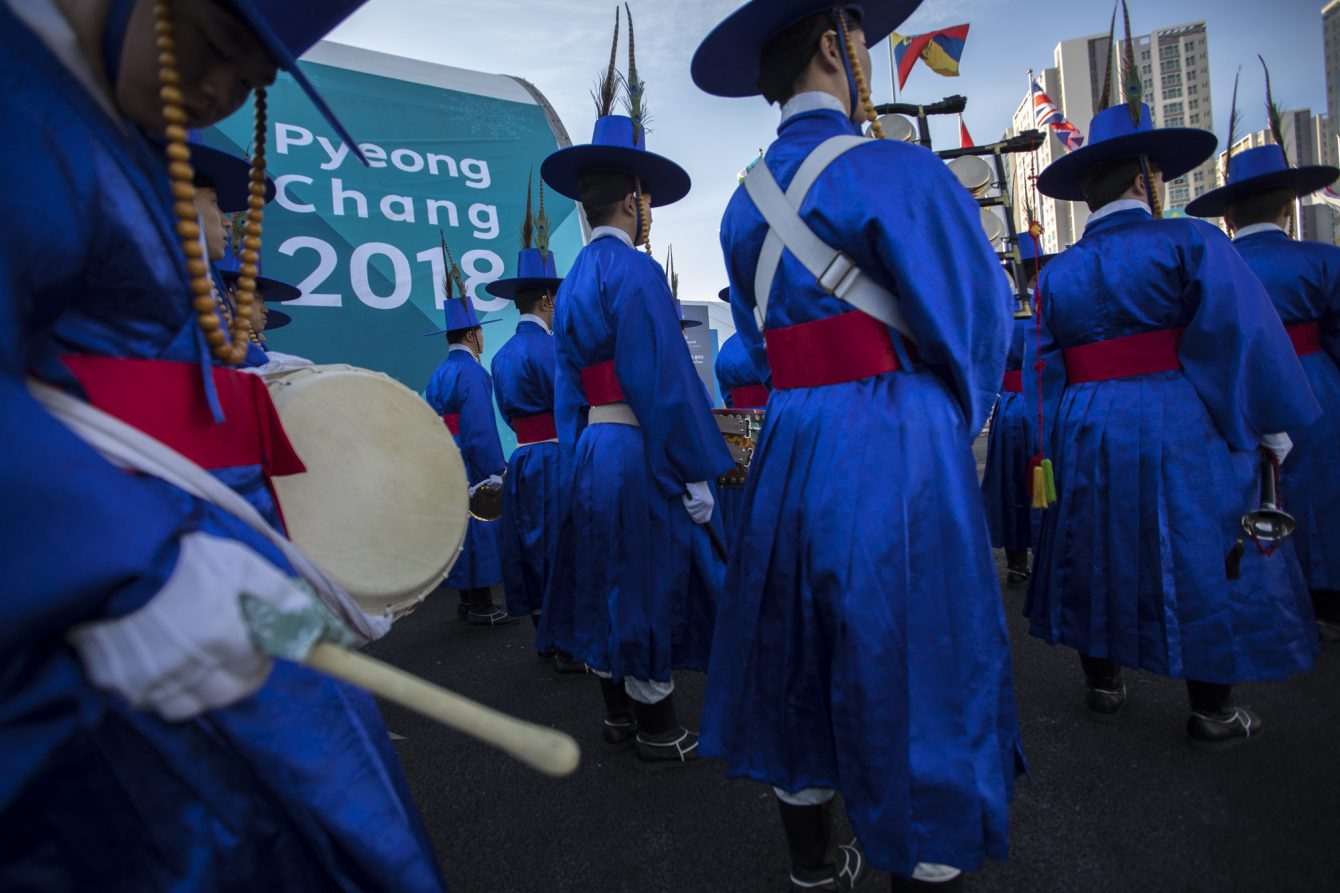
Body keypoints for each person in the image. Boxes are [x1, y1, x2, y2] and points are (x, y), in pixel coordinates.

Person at [0, 0, 445, 889]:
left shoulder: (97, 116)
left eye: (249, 82)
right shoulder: (24, 102)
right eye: (212, 49)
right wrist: (131, 564)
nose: (218, 91)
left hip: (198, 548)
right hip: (106, 584)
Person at [691, 2, 1023, 889]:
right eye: (861, 40)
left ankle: (810, 858)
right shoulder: (896, 167)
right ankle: (926, 859)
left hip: (794, 432)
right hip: (894, 432)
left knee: (796, 639)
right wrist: (957, 418)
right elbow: (980, 318)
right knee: (916, 651)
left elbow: (761, 341)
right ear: (835, 48)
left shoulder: (741, 202)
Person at [1026, 58, 1321, 751]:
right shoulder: (1192, 239)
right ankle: (1211, 709)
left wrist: (1049, 443)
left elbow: (1043, 368)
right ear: (1143, 179)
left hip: (1085, 422)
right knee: (1199, 545)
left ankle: (1102, 685)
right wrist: (1267, 425)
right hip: (1178, 416)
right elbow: (1234, 336)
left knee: (1090, 547)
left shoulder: (1058, 271)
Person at [539, 6, 733, 768]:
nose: (650, 209)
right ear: (633, 201)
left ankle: (618, 714)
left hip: (589, 447)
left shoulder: (575, 276)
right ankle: (657, 727)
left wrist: (574, 449)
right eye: (647, 197)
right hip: (636, 444)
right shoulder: (636, 270)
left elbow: (565, 387)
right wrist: (692, 470)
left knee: (600, 576)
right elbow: (663, 379)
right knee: (647, 578)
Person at [1187, 133, 1340, 646]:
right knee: (1323, 491)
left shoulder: (1210, 260)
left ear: (1228, 216)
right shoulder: (1323, 259)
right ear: (1289, 208)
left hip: (1233, 385)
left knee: (1246, 490)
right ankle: (1327, 599)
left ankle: (1257, 592)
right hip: (1315, 381)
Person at [485, 180, 580, 665]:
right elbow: (571, 404)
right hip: (557, 455)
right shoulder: (555, 348)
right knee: (565, 546)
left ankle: (546, 631)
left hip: (522, 459)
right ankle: (567, 642)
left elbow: (505, 412)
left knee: (531, 545)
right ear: (546, 299)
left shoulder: (500, 356)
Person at [424, 279, 515, 627]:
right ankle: (481, 604)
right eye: (480, 331)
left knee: (458, 527)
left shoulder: (438, 374)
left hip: (446, 456)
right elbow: (479, 426)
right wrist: (494, 467)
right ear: (474, 334)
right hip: (470, 458)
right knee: (479, 525)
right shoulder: (473, 373)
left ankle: (466, 600)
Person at [981, 238, 1054, 587]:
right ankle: (1051, 556)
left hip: (1010, 407)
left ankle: (1016, 564)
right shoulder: (1048, 306)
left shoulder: (999, 312)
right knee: (1048, 480)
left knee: (1012, 484)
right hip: (1045, 403)